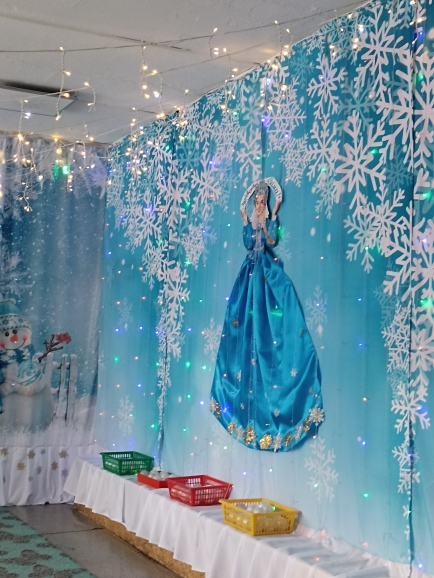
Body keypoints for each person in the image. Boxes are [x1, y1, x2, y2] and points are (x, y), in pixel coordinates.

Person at [210, 178, 324, 452]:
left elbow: (272, 240)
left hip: (267, 271)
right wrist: (246, 220)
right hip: (250, 274)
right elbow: (248, 242)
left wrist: (272, 216)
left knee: (272, 320)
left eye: (263, 202)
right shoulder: (250, 225)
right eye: (257, 202)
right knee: (243, 324)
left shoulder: (267, 221)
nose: (260, 205)